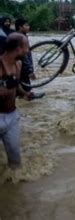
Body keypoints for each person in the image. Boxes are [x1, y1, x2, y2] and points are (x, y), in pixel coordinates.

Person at [0, 33, 34, 169]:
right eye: (26, 47)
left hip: (12, 116)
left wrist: (24, 94)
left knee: (15, 157)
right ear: (18, 48)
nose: (28, 51)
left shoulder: (18, 65)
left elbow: (16, 86)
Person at [14, 19, 36, 92]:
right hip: (21, 68)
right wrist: (29, 70)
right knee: (25, 90)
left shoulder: (23, 36)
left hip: (22, 67)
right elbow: (24, 55)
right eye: (26, 25)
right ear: (20, 27)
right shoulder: (20, 38)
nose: (28, 27)